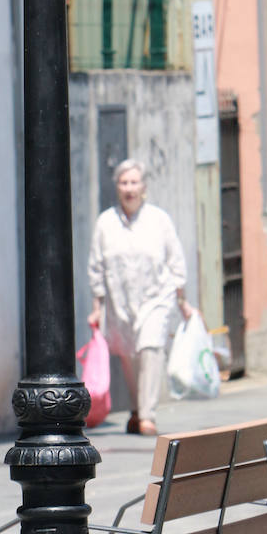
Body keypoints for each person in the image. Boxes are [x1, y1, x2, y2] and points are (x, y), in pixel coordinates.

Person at [87, 159, 193, 437]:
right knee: (129, 356)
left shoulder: (159, 220)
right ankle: (136, 411)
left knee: (150, 348)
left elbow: (176, 261)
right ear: (117, 187)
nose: (129, 188)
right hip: (121, 303)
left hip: (156, 298)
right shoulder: (105, 223)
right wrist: (97, 307)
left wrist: (182, 301)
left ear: (143, 186)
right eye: (124, 183)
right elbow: (96, 266)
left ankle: (147, 414)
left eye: (134, 182)